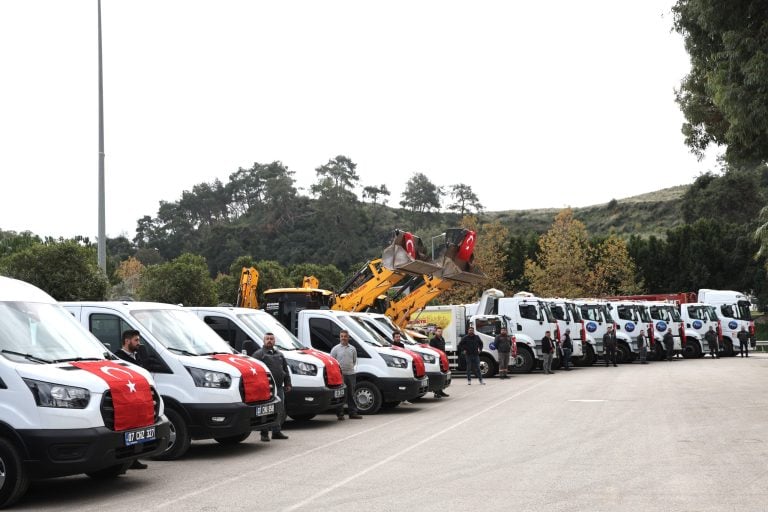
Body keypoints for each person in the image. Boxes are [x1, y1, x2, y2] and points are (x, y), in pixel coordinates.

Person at [114, 330, 148, 470]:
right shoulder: (118, 358)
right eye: (136, 340)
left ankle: (135, 458)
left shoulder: (138, 355)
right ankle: (126, 460)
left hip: (139, 398)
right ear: (127, 341)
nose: (138, 343)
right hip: (126, 399)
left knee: (138, 429)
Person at [254, 333, 291, 441]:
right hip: (266, 388)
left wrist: (288, 383)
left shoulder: (279, 354)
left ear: (274, 341)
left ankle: (276, 432)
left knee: (279, 409)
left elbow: (285, 370)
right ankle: (264, 433)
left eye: (271, 339)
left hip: (279, 387)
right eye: (267, 339)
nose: (269, 340)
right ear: (263, 340)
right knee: (266, 411)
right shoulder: (258, 354)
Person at [330, 330, 362, 419]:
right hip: (340, 375)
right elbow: (332, 362)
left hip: (351, 374)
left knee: (351, 394)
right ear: (340, 337)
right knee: (340, 394)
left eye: (345, 336)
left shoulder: (353, 349)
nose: (343, 338)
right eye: (342, 336)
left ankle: (353, 413)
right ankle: (340, 414)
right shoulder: (335, 349)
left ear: (348, 338)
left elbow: (354, 361)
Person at [429, 328, 449, 397]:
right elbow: (432, 351)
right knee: (439, 375)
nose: (440, 333)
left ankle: (440, 391)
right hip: (437, 360)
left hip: (443, 359)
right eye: (438, 331)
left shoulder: (442, 339)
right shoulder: (433, 340)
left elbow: (443, 349)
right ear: (435, 332)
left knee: (443, 375)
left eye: (441, 331)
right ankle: (436, 393)